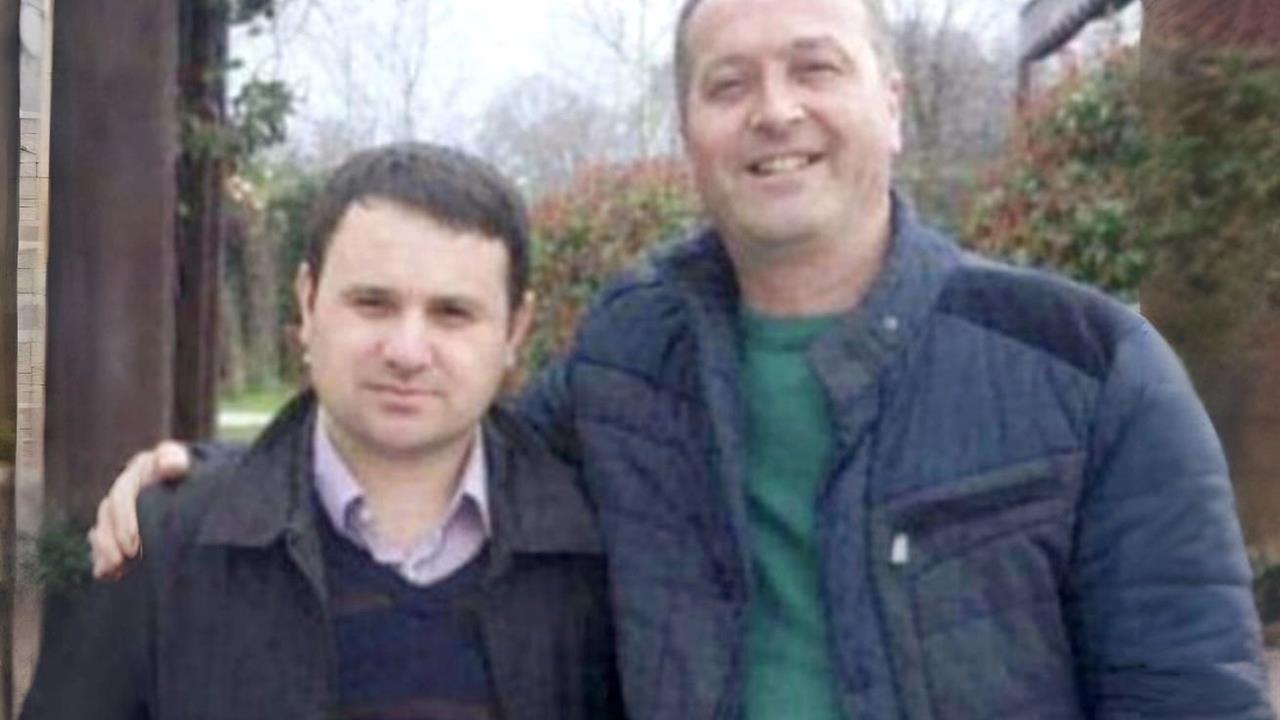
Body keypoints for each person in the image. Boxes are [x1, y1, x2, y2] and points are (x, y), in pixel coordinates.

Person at [85, 0, 1274, 717]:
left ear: (892, 101)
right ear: (690, 131)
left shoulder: (1084, 370)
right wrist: (213, 481)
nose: (773, 109)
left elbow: (1185, 696)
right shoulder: (627, 360)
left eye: (813, 67)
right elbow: (435, 435)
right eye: (728, 83)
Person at [22, 143, 623, 719]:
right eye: (373, 304)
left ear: (515, 330)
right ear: (308, 304)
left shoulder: (603, 558)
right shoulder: (159, 545)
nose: (407, 351)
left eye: (452, 313)